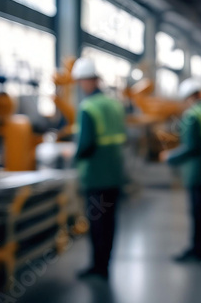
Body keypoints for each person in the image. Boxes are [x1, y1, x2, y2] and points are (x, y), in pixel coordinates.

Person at [72, 57, 127, 279]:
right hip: (115, 172)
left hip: (95, 175)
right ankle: (106, 264)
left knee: (96, 223)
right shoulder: (114, 104)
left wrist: (72, 158)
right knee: (110, 221)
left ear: (87, 81)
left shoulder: (88, 108)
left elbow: (84, 145)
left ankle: (98, 267)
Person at [161, 78, 201, 262]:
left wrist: (170, 157)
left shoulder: (192, 116)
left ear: (189, 97)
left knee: (198, 211)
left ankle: (198, 250)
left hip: (197, 171)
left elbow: (191, 147)